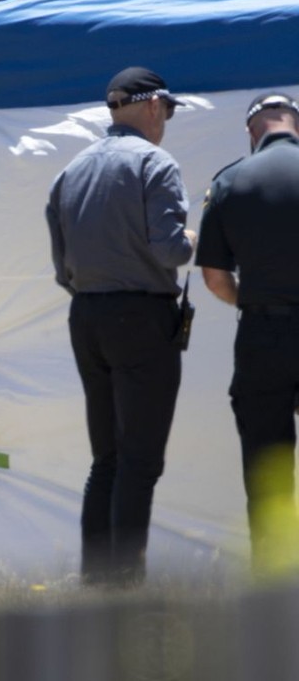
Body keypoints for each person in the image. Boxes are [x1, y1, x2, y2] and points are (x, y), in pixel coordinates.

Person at [45, 66, 196, 586]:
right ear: (153, 106)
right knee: (139, 460)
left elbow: (61, 265)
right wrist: (195, 237)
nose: (167, 121)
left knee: (106, 458)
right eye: (169, 110)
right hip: (141, 318)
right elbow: (169, 249)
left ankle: (96, 581)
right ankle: (125, 586)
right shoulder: (155, 162)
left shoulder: (72, 170)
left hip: (87, 317)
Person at [194, 93, 299, 574]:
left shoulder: (230, 181)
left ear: (252, 131)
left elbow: (215, 277)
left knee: (267, 467)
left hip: (264, 335)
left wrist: (252, 304)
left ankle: (276, 586)